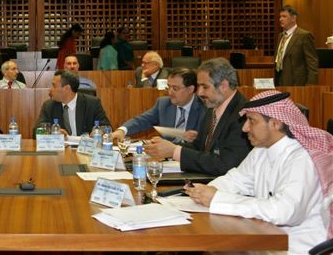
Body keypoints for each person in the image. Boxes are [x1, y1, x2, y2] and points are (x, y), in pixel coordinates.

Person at [186, 90, 332, 254]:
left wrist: (218, 199)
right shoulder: (261, 150)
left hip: (297, 248)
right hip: (264, 240)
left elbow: (284, 212)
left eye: (251, 120)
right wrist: (203, 192)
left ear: (275, 123)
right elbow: (235, 180)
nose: (244, 128)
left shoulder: (302, 158)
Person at [145, 57, 251, 176]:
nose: (199, 93)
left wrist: (175, 151)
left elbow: (225, 164)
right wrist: (167, 147)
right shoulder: (213, 108)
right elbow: (199, 147)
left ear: (223, 85)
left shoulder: (243, 115)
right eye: (199, 86)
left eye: (205, 87)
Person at [112, 68, 206, 143]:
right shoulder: (164, 103)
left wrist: (199, 137)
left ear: (190, 89)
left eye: (175, 88)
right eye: (168, 87)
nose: (170, 92)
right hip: (165, 156)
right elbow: (143, 120)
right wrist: (122, 130)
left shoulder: (205, 107)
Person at [34, 70, 111, 136]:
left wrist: (99, 132)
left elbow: (107, 127)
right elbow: (36, 130)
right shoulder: (49, 106)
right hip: (62, 147)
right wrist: (52, 131)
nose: (50, 89)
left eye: (54, 86)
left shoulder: (92, 104)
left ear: (67, 88)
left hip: (85, 147)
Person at [274, 4, 318, 86]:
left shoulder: (304, 36)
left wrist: (311, 86)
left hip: (297, 84)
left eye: (284, 16)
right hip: (279, 82)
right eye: (280, 17)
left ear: (293, 18)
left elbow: (312, 63)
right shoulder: (281, 36)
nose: (280, 19)